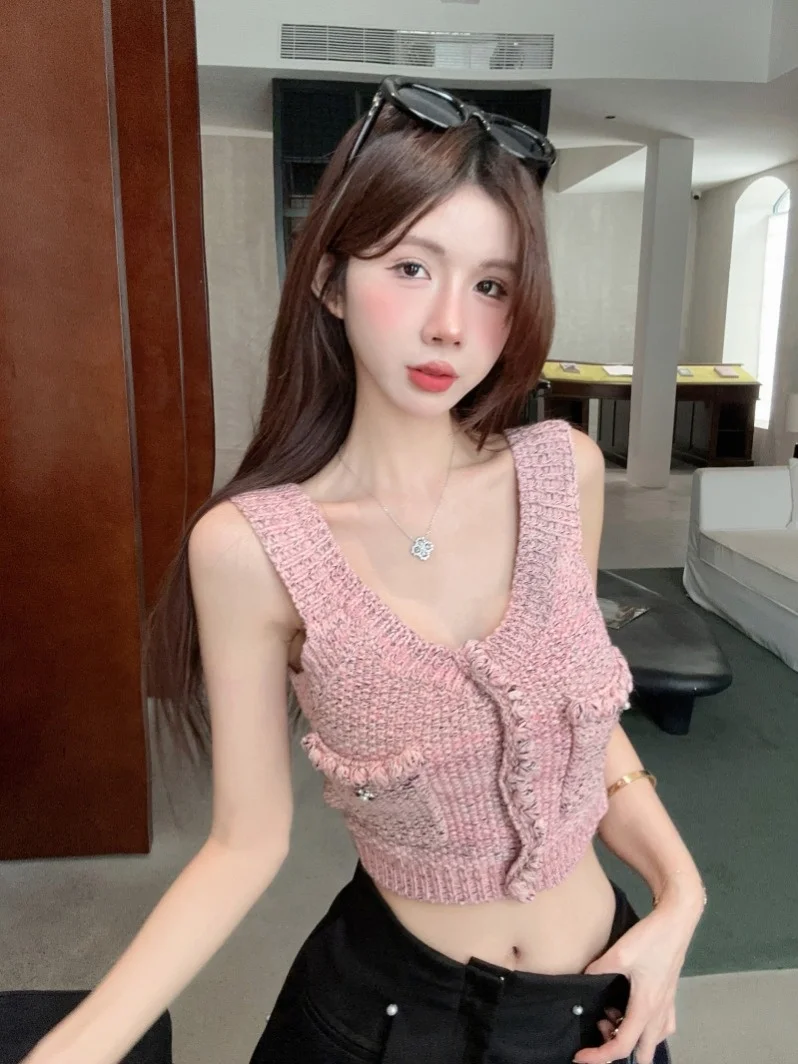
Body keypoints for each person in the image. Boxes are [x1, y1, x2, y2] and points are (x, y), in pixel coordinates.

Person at [23, 76, 706, 1064]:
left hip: (606, 1000)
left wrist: (682, 895)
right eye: (411, 267)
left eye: (491, 285)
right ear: (331, 281)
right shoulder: (254, 547)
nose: (449, 325)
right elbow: (243, 844)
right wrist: (75, 1048)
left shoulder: (566, 474)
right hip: (392, 1019)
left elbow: (583, 722)